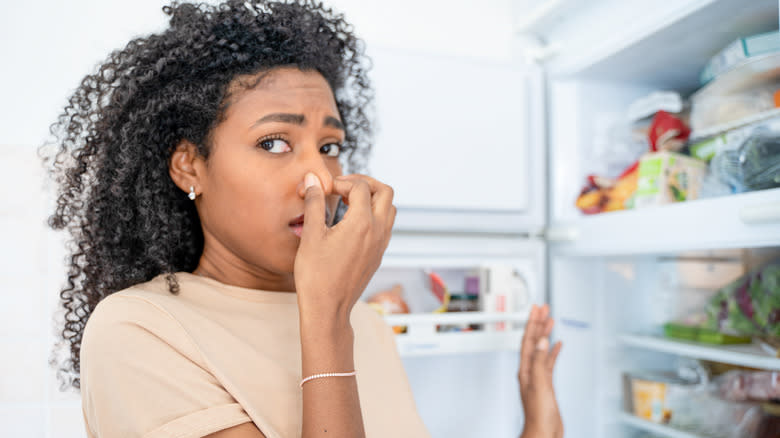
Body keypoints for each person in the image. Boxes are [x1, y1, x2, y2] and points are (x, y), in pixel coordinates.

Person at [43, 1, 563, 437]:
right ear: (189, 165)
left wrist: (539, 424)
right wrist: (328, 317)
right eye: (274, 142)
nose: (319, 178)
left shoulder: (368, 325)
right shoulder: (139, 329)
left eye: (330, 146)